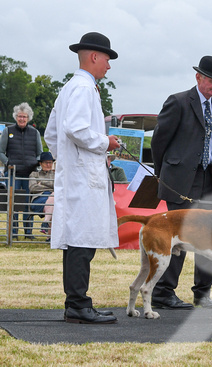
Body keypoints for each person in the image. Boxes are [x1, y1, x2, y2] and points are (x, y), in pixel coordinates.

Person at [44, 32, 121, 324]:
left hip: (77, 172)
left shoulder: (69, 88)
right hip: (83, 178)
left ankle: (77, 302)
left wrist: (69, 158)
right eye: (107, 60)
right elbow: (75, 129)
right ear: (93, 57)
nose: (108, 66)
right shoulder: (84, 88)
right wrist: (104, 144)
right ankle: (78, 303)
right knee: (82, 241)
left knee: (78, 239)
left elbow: (52, 133)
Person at [150, 55, 212, 310]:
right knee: (178, 237)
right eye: (211, 80)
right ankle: (163, 292)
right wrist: (162, 174)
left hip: (209, 179)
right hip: (180, 181)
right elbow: (159, 141)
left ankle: (202, 293)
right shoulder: (178, 101)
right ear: (198, 77)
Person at [0, 102, 43, 238]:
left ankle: (28, 233)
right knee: (13, 204)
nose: (22, 119)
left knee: (27, 203)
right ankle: (13, 233)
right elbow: (1, 151)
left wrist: (35, 164)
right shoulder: (8, 131)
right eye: (19, 116)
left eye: (24, 116)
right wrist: (8, 163)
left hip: (29, 174)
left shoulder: (35, 132)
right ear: (15, 117)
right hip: (13, 173)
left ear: (28, 117)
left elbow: (39, 153)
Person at [28, 151, 56, 236]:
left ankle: (45, 223)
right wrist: (51, 186)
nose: (48, 165)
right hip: (39, 198)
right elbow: (33, 188)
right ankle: (50, 236)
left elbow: (58, 186)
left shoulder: (56, 174)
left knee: (54, 200)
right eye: (46, 163)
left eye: (50, 162)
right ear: (40, 163)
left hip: (53, 198)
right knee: (55, 200)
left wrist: (42, 183)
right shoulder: (34, 174)